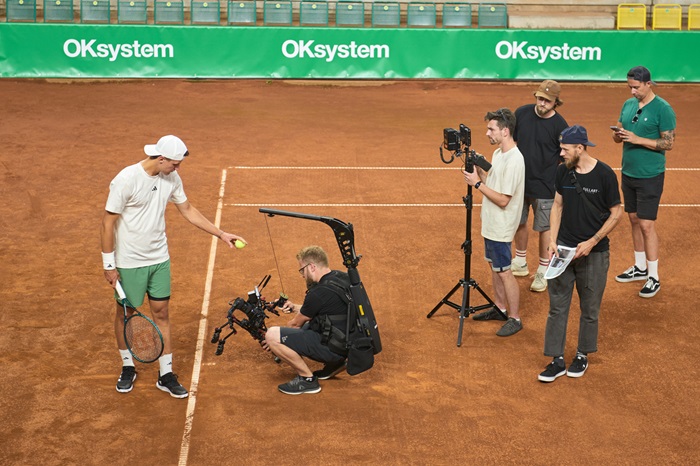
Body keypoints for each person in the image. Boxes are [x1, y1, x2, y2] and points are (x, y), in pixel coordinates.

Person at [101, 135, 246, 398]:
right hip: (130, 261)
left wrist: (220, 233)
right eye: (175, 164)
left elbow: (188, 209)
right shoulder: (126, 179)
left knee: (162, 312)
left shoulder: (171, 179)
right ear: (161, 158)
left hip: (159, 259)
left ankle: (165, 374)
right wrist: (109, 265)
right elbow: (108, 223)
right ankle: (127, 367)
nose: (177, 170)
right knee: (126, 314)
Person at [538, 125, 621, 383]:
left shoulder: (605, 175)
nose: (560, 153)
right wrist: (552, 240)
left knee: (590, 308)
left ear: (580, 148)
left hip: (594, 254)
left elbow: (616, 211)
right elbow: (558, 204)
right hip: (564, 251)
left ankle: (582, 354)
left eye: (565, 149)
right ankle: (556, 359)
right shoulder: (563, 171)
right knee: (557, 307)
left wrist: (593, 240)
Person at [612, 66, 676, 298]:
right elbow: (619, 132)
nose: (632, 92)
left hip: (650, 175)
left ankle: (653, 276)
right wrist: (618, 134)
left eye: (636, 87)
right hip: (629, 172)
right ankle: (639, 268)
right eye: (630, 87)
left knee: (647, 225)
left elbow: (668, 143)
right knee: (633, 219)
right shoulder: (628, 105)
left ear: (648, 84)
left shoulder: (663, 109)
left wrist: (638, 139)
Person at [463, 108, 525, 337]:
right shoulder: (499, 154)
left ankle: (515, 317)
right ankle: (500, 307)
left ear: (505, 131)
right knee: (494, 267)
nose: (487, 132)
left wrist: (477, 184)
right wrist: (481, 170)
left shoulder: (514, 161)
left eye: (491, 129)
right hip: (490, 223)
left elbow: (502, 199)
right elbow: (495, 183)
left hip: (501, 226)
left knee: (505, 271)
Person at [263, 246, 349, 395]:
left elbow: (295, 324)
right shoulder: (342, 277)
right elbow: (326, 308)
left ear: (312, 267)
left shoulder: (317, 293)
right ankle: (335, 364)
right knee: (311, 323)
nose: (302, 275)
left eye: (302, 270)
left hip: (334, 348)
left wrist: (279, 341)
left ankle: (307, 379)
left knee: (272, 335)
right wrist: (295, 307)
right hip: (348, 341)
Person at [512, 80, 569, 293]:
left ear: (556, 102)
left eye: (547, 100)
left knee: (544, 228)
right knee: (519, 221)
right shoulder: (522, 113)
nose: (541, 102)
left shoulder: (560, 126)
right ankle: (520, 261)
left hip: (545, 185)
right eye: (539, 97)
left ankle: (543, 270)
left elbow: (566, 156)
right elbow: (513, 141)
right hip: (520, 182)